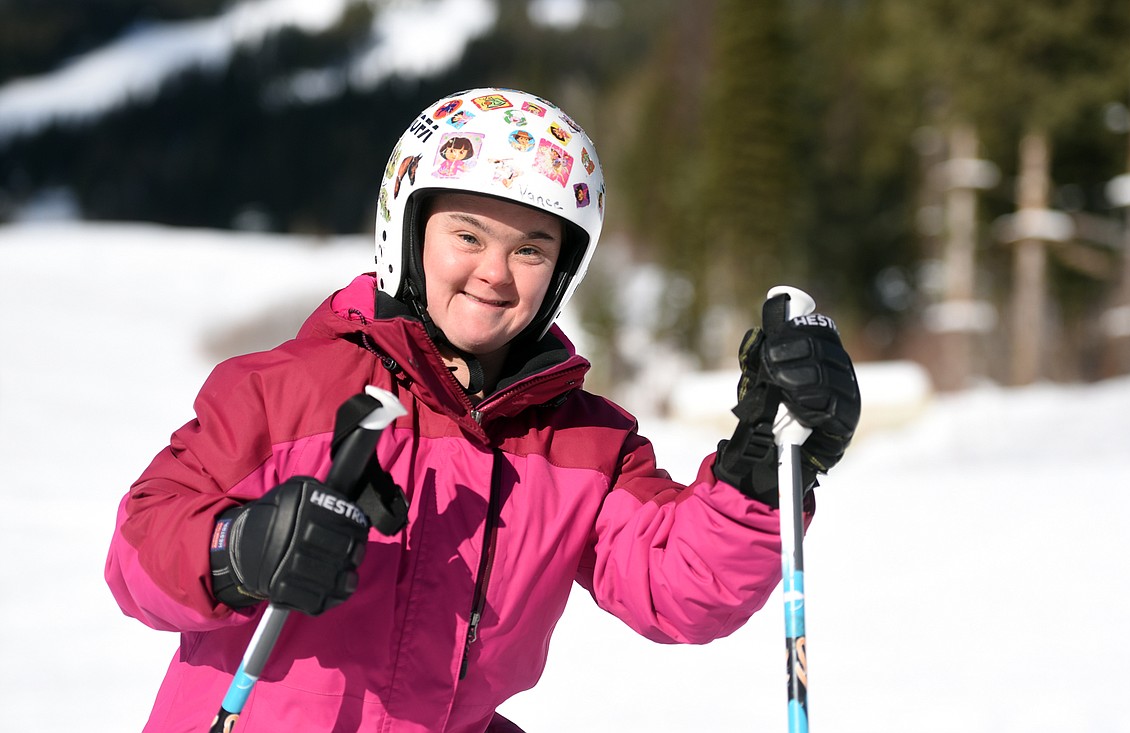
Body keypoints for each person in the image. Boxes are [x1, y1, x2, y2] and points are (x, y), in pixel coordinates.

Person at [105, 87, 861, 733]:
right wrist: (238, 547)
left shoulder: (584, 442)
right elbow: (138, 550)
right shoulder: (285, 388)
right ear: (407, 234)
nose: (494, 274)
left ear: (561, 272)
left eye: (531, 250)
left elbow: (679, 585)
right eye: (467, 236)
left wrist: (767, 463)